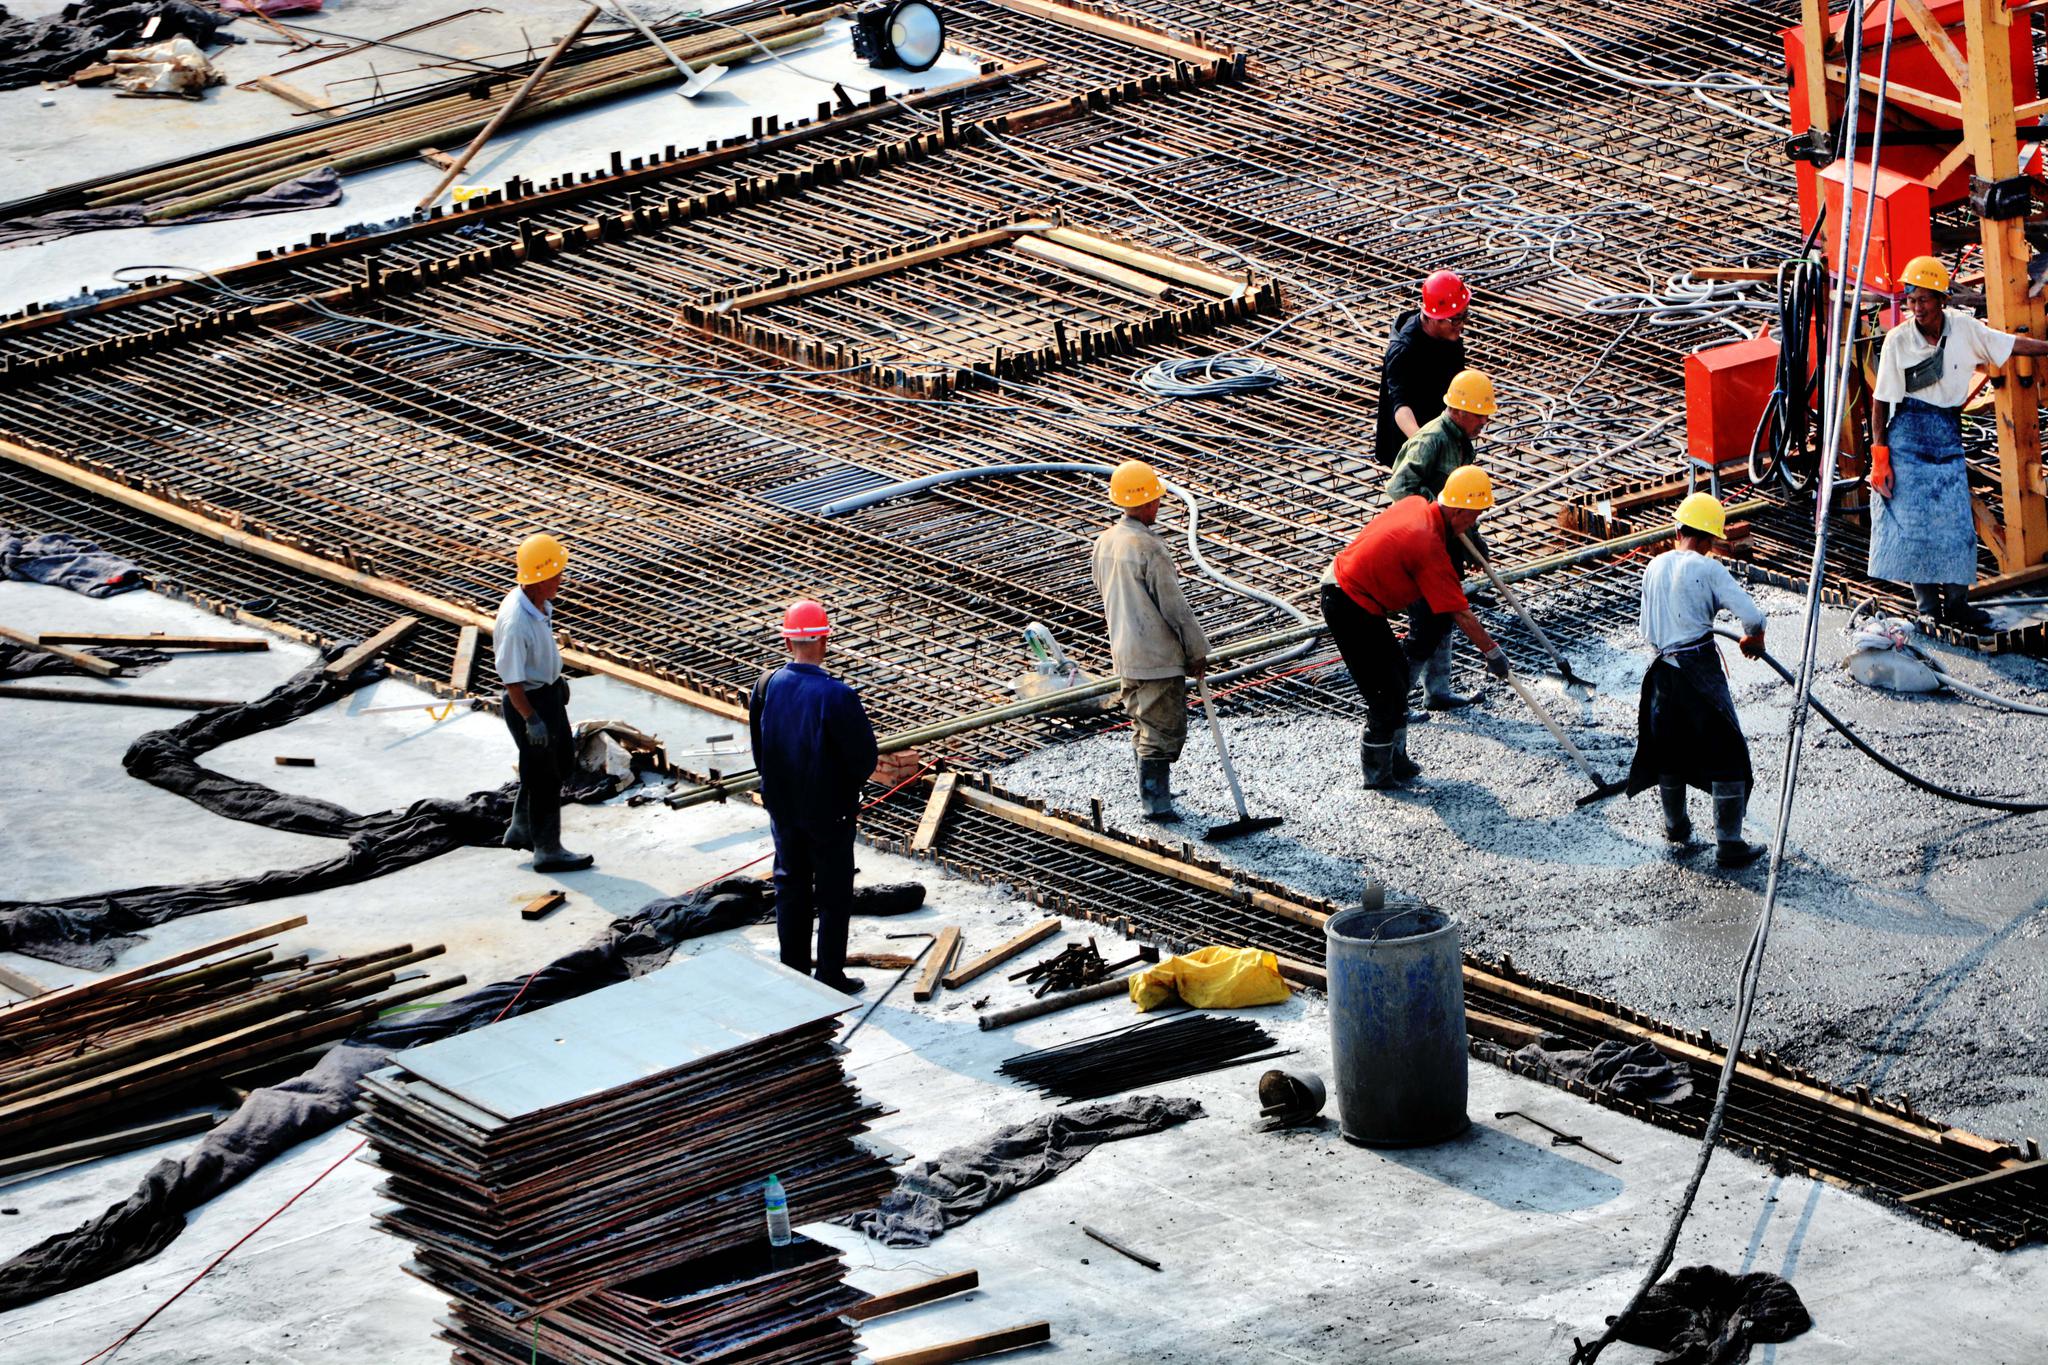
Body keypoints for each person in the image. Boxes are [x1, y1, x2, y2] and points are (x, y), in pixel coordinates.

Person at [1870, 254, 2048, 629]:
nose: (1916, 308)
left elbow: (2008, 343)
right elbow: (1881, 402)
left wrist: (2044, 348)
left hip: (1947, 433)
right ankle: (1928, 609)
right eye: (1912, 300)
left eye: (1923, 300)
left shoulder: (1965, 330)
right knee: (1915, 527)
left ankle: (1958, 606)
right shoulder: (1897, 341)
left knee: (1955, 527)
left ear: (1941, 300)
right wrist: (1880, 457)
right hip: (1908, 435)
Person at [1321, 467, 1509, 788]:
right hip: (1347, 602)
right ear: (1458, 510)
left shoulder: (1417, 505)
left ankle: (1396, 760)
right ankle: (1377, 775)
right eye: (1473, 517)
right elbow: (1459, 612)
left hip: (1356, 595)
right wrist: (1492, 652)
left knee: (1396, 675)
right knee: (1385, 693)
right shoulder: (1428, 544)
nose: (1473, 525)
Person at [1624, 494, 1769, 869]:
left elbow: (1646, 629)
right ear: (1709, 540)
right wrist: (1754, 640)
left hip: (1659, 674)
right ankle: (1729, 844)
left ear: (1678, 531)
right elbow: (1752, 617)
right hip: (1697, 673)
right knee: (1728, 754)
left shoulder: (1653, 566)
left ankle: (1676, 827)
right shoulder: (1710, 569)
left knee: (1668, 751)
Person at [750, 599, 880, 994]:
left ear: (788, 642)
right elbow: (863, 759)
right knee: (833, 893)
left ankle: (793, 972)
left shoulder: (766, 686)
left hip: (783, 808)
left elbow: (760, 748)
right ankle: (829, 975)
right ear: (824, 639)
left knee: (790, 887)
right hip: (829, 812)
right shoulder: (836, 696)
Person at [1091, 459, 1210, 823]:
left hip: (1124, 652)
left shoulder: (1105, 541)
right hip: (1157, 656)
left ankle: (1151, 794)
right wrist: (1197, 650)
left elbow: (1103, 589)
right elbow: (1175, 608)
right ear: (1145, 502)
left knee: (1142, 723)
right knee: (1164, 728)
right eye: (1156, 499)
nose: (1159, 504)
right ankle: (1155, 803)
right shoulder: (1149, 548)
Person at [1387, 367, 1499, 709]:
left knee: (1446, 615)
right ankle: (1395, 706)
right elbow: (1399, 487)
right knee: (1424, 627)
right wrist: (1438, 508)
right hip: (1424, 543)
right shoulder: (1432, 439)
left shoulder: (1462, 442)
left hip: (1448, 541)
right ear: (1461, 410)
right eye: (1481, 417)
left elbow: (1464, 501)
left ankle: (1438, 692)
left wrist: (1473, 538)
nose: (1484, 425)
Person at [493, 532, 593, 873]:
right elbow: (511, 681)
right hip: (529, 703)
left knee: (560, 762)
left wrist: (556, 681)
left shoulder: (535, 604)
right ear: (539, 578)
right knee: (546, 777)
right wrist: (531, 719)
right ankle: (547, 851)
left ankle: (521, 828)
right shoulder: (516, 621)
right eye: (557, 574)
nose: (562, 579)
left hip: (546, 696)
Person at [1374, 269, 1471, 468]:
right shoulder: (1403, 350)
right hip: (1410, 443)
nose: (1461, 326)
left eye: (1464, 316)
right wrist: (1424, 444)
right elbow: (1401, 408)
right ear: (1435, 318)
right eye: (1455, 319)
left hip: (1441, 428)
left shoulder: (1450, 337)